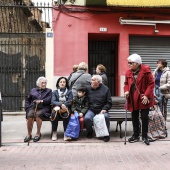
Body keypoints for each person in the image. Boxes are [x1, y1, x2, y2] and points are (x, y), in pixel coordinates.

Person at [124, 53, 155, 145]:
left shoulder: (146, 70)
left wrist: (146, 95)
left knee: (144, 117)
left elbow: (151, 84)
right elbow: (126, 83)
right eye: (128, 62)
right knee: (134, 116)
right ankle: (136, 135)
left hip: (143, 97)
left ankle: (145, 136)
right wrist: (126, 91)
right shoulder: (128, 72)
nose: (128, 64)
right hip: (133, 97)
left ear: (137, 63)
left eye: (130, 63)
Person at [84, 75, 112, 142]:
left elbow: (109, 102)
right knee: (87, 118)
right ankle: (90, 132)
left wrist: (104, 109)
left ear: (98, 82)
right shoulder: (88, 89)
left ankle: (106, 135)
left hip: (102, 109)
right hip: (91, 109)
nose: (91, 81)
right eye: (91, 80)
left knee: (106, 117)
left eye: (93, 80)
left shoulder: (105, 89)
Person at [24, 77, 52, 143]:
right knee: (29, 115)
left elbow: (50, 99)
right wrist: (27, 108)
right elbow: (28, 100)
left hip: (44, 108)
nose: (44, 84)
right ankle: (29, 134)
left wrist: (42, 101)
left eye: (45, 83)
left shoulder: (49, 91)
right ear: (38, 84)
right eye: (42, 83)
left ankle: (38, 133)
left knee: (38, 115)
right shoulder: (33, 90)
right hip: (33, 107)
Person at [51, 77, 73, 141]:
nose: (62, 83)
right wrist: (61, 104)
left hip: (66, 108)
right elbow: (53, 101)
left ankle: (66, 133)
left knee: (66, 115)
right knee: (54, 115)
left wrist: (64, 105)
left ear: (66, 83)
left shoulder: (69, 92)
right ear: (58, 83)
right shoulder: (55, 92)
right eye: (61, 82)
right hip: (57, 108)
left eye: (64, 82)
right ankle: (54, 132)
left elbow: (70, 101)